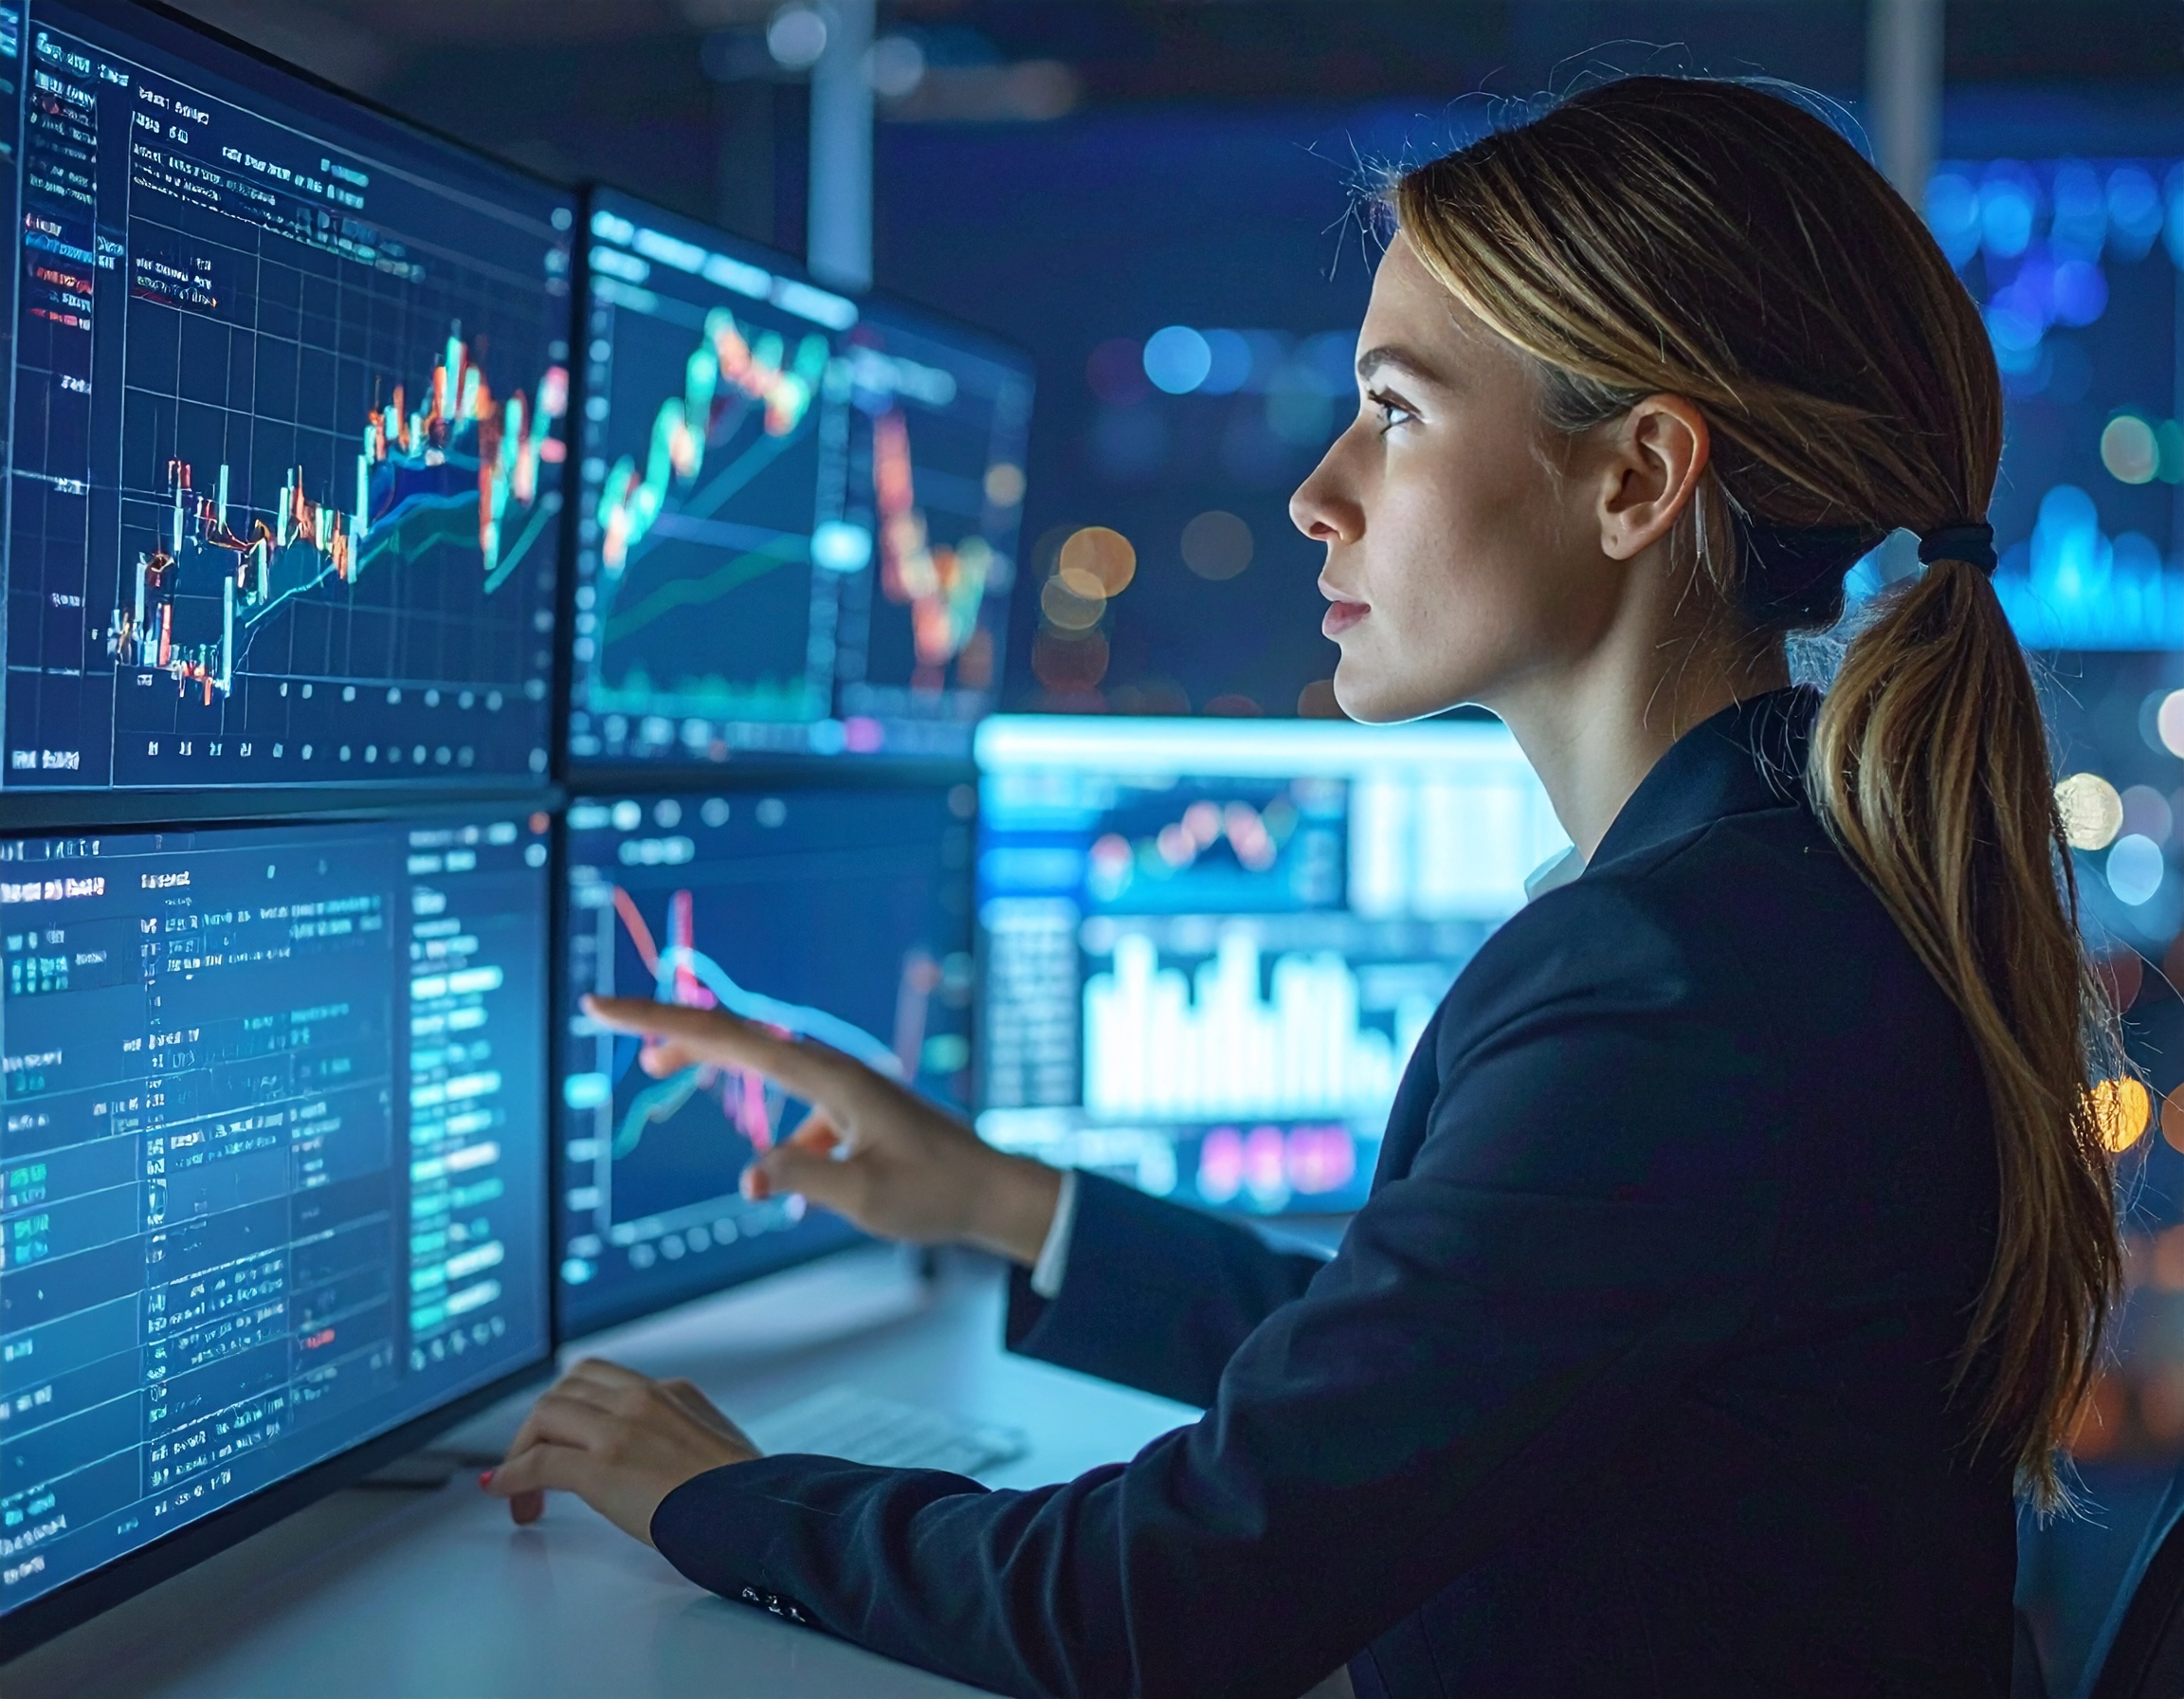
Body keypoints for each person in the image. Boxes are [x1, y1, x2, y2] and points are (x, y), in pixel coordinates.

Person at [483, 75, 2124, 1698]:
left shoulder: (1677, 981)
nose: (1314, 490)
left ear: (1637, 480)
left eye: (1397, 412)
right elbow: (1429, 1361)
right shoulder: (1767, 886)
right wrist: (999, 1201)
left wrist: (717, 1494)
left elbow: (1151, 1602)